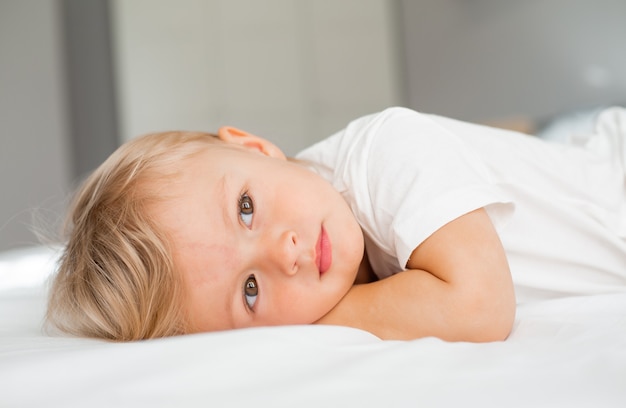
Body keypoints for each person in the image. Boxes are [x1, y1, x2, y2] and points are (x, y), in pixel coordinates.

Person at [46, 106, 626, 342]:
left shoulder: (385, 149)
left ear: (255, 147)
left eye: (247, 207)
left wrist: (298, 322)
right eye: (250, 291)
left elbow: (479, 307)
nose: (285, 252)